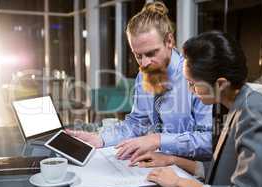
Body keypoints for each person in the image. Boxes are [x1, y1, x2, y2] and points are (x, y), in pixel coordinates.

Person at [132, 31, 262, 187]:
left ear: (221, 84)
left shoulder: (254, 113)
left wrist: (180, 182)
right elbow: (223, 170)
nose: (190, 90)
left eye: (193, 84)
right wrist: (172, 160)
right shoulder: (236, 104)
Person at [66, 2, 212, 161]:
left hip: (192, 172)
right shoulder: (144, 76)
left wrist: (158, 139)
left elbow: (208, 142)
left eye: (151, 53)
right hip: (158, 165)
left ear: (169, 41)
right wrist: (100, 139)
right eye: (138, 56)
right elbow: (136, 124)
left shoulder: (196, 75)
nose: (144, 63)